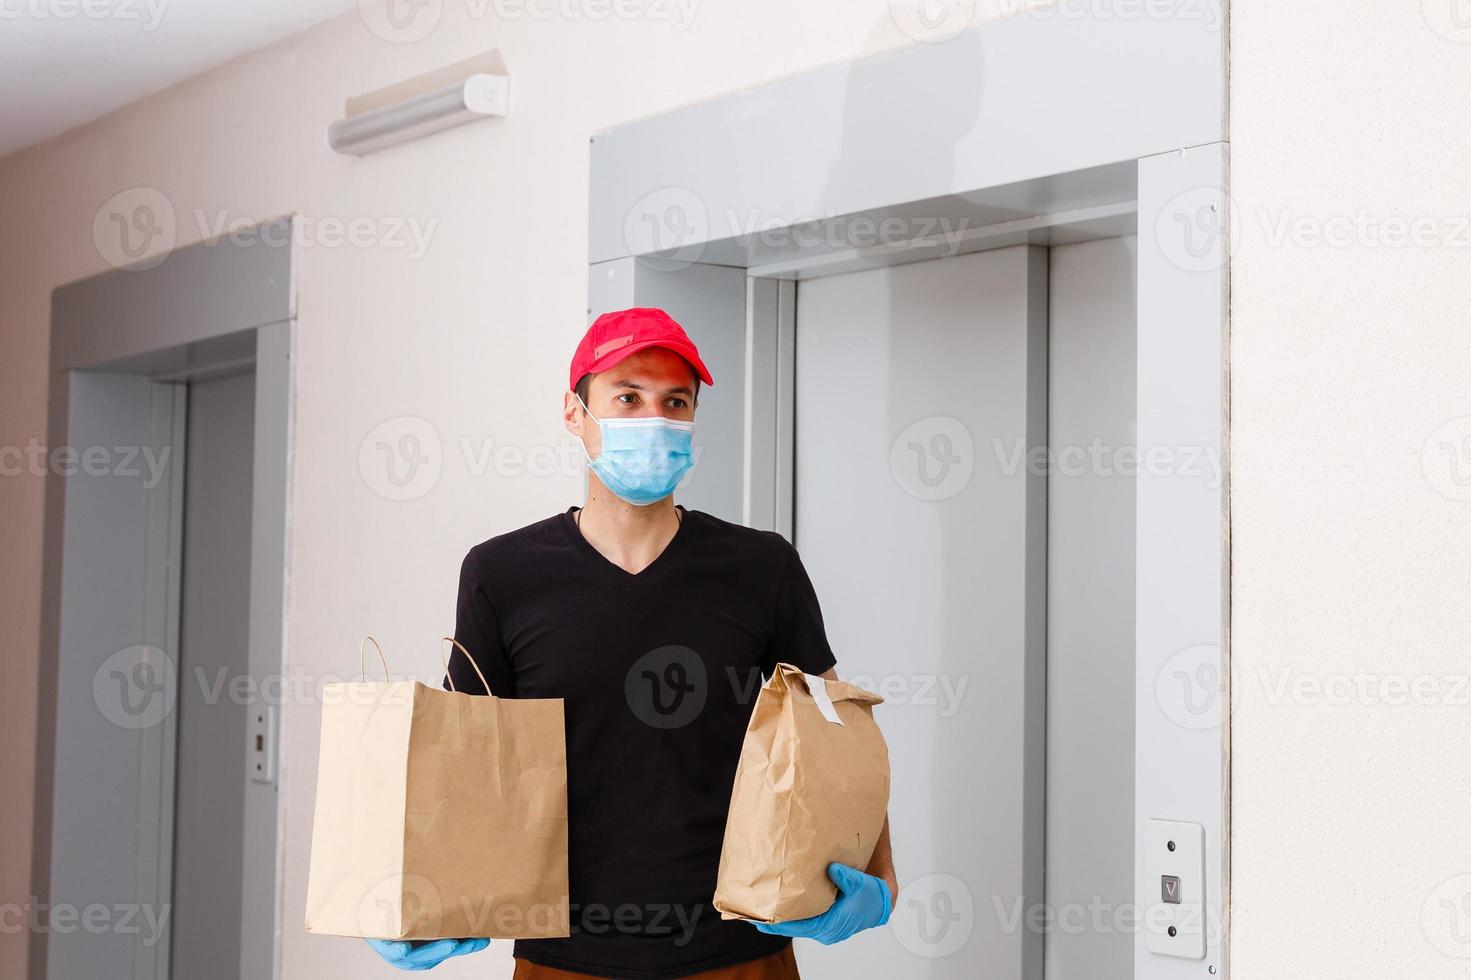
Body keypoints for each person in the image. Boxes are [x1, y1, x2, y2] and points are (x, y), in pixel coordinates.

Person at [367, 308, 896, 978]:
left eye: (674, 402)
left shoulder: (759, 567)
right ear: (573, 413)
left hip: (737, 952)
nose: (654, 419)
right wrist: (410, 893)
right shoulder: (502, 574)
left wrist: (878, 879)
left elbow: (838, 737)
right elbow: (461, 766)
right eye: (627, 397)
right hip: (564, 956)